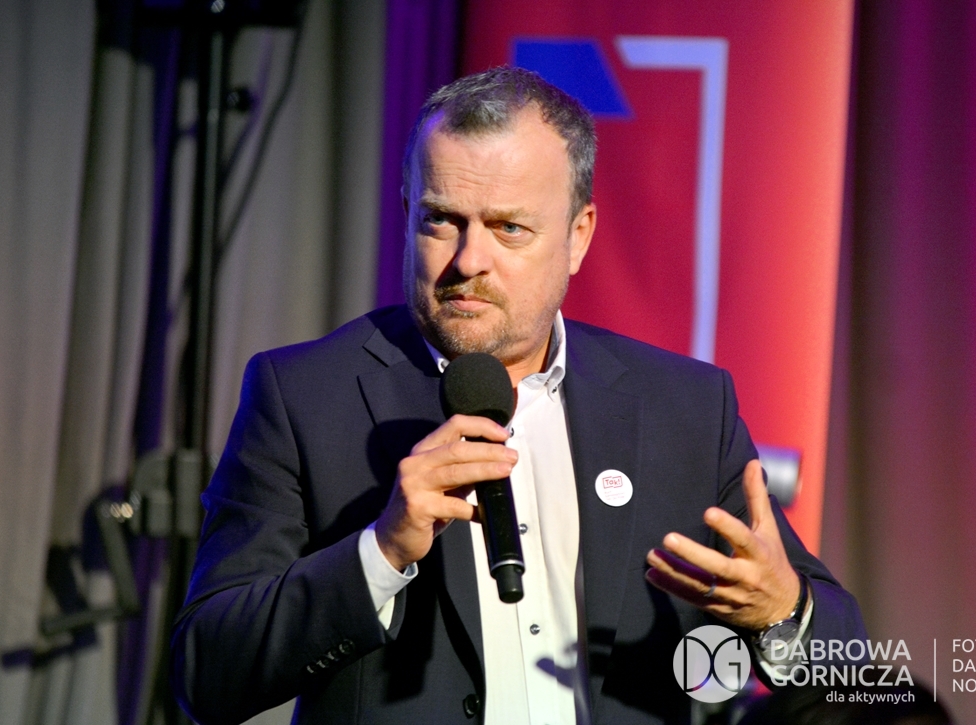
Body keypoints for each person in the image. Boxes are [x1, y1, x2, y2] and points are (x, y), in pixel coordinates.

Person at [172, 67, 866, 725]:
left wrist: (782, 614)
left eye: (508, 228)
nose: (469, 261)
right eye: (441, 220)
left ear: (577, 236)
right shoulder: (304, 396)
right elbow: (206, 674)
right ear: (407, 211)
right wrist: (379, 553)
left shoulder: (685, 408)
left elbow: (852, 673)